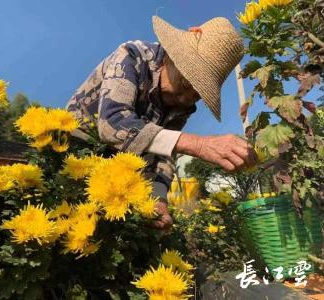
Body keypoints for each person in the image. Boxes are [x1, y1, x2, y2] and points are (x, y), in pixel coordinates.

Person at [65, 16, 258, 230]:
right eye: (187, 83)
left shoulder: (181, 104)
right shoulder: (132, 56)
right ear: (172, 56)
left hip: (116, 177)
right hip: (71, 157)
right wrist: (200, 145)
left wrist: (158, 200)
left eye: (198, 94)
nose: (186, 99)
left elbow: (164, 153)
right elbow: (113, 122)